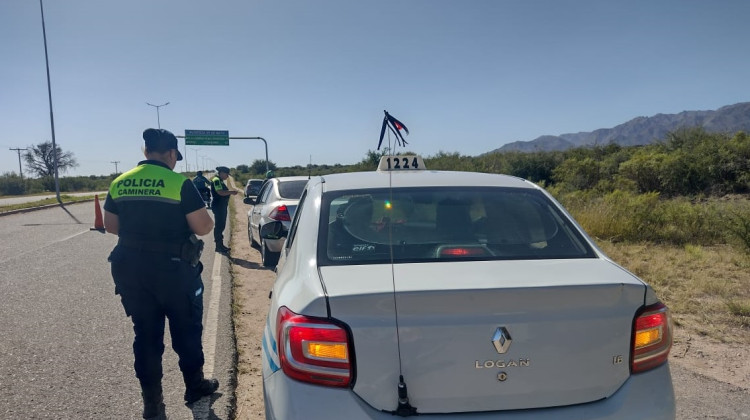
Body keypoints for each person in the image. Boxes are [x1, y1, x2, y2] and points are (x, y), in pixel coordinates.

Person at [103, 128, 220, 419]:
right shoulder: (178, 183)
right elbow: (203, 227)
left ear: (145, 152)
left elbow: (111, 226)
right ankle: (195, 387)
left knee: (145, 335)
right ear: (170, 154)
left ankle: (153, 406)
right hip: (174, 271)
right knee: (187, 332)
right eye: (175, 157)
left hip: (131, 270)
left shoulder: (120, 183)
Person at [210, 166, 238, 253]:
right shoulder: (216, 180)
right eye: (226, 174)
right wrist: (231, 192)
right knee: (219, 226)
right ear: (221, 173)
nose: (227, 176)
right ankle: (218, 246)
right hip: (218, 206)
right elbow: (220, 192)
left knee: (221, 226)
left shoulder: (219, 180)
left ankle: (220, 245)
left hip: (221, 206)